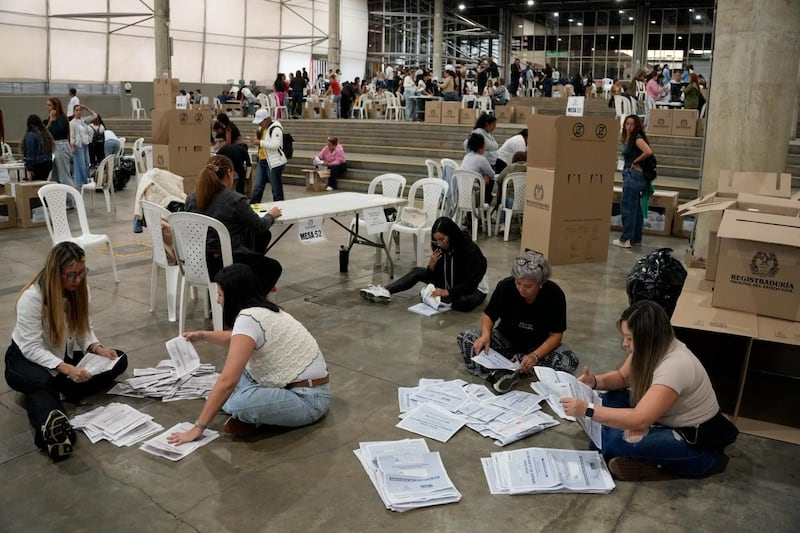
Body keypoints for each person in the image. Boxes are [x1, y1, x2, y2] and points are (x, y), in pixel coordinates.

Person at [560, 300, 738, 481]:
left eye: (629, 338)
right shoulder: (652, 348)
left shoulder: (675, 366)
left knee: (614, 440)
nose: (624, 344)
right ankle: (634, 453)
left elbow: (640, 419)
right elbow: (623, 378)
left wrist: (588, 410)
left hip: (694, 442)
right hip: (663, 418)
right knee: (608, 399)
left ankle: (657, 465)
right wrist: (595, 381)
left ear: (647, 338)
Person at [167, 264, 330, 442]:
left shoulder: (247, 318)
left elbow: (228, 381)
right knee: (235, 377)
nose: (218, 300)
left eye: (220, 295)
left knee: (236, 400)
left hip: (308, 400)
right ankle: (255, 412)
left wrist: (198, 428)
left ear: (233, 296)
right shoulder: (262, 310)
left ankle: (249, 413)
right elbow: (237, 340)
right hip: (295, 386)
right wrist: (202, 335)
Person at [5, 242, 128, 461]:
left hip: (62, 356)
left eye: (82, 273)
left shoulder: (79, 290)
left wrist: (97, 348)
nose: (78, 280)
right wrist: (66, 368)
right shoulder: (32, 298)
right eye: (71, 275)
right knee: (42, 384)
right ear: (56, 272)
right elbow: (31, 348)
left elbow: (84, 329)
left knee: (119, 359)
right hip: (25, 360)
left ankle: (62, 391)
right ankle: (53, 428)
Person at [457, 250, 579, 378]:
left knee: (569, 361)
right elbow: (489, 315)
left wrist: (535, 356)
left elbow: (556, 334)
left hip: (537, 345)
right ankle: (501, 373)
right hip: (505, 340)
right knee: (466, 338)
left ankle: (513, 367)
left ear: (541, 284)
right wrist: (486, 335)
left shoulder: (555, 295)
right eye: (518, 283)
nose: (521, 290)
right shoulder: (505, 286)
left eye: (528, 286)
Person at [186, 155, 282, 297]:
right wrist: (271, 215)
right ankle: (249, 299)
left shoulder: (191, 198)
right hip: (227, 260)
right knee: (273, 267)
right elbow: (260, 225)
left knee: (261, 237)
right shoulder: (235, 200)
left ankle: (241, 288)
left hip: (199, 260)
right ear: (229, 173)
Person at [360, 217, 488, 311]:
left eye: (442, 239)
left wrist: (448, 292)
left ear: (452, 235)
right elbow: (439, 275)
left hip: (474, 286)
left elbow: (471, 282)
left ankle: (438, 296)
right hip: (450, 281)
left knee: (461, 303)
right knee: (417, 271)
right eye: (436, 240)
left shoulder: (469, 250)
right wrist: (431, 267)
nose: (439, 244)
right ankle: (385, 290)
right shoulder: (439, 246)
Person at [613, 115, 653, 248]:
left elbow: (648, 151)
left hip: (633, 176)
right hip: (635, 177)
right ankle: (635, 238)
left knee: (628, 207)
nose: (628, 127)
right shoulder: (631, 139)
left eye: (631, 124)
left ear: (636, 126)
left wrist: (636, 161)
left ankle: (626, 239)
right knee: (635, 208)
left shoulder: (637, 139)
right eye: (627, 124)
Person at [249, 108, 287, 203]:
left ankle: (280, 206)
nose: (259, 124)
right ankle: (253, 208)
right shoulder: (262, 128)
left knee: (276, 189)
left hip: (274, 163)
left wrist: (260, 142)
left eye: (261, 122)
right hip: (262, 160)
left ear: (266, 120)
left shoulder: (276, 128)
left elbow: (276, 145)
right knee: (257, 187)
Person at [45, 97, 74, 189]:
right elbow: (46, 132)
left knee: (64, 175)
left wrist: (53, 120)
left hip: (61, 145)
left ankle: (71, 199)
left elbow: (57, 131)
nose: (47, 107)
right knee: (55, 176)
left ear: (55, 106)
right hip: (54, 146)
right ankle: (60, 199)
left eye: (50, 105)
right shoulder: (51, 118)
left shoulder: (62, 118)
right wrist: (51, 120)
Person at [460, 133, 496, 205]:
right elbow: (492, 174)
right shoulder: (481, 159)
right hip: (473, 192)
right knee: (490, 181)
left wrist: (483, 175)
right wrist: (485, 175)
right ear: (482, 146)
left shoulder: (467, 156)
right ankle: (484, 205)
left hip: (461, 190)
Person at [68, 104, 96, 187]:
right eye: (76, 110)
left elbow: (94, 115)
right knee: (80, 164)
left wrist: (86, 108)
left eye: (80, 110)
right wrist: (72, 146)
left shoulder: (83, 120)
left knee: (87, 163)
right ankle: (79, 182)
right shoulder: (72, 123)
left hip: (85, 144)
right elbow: (72, 135)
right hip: (77, 145)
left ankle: (85, 180)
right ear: (74, 112)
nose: (78, 112)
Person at [22, 114, 54, 181]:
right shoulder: (45, 134)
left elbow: (30, 152)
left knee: (36, 185)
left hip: (37, 164)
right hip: (47, 162)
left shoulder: (31, 135)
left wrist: (29, 168)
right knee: (42, 182)